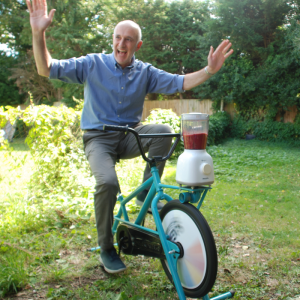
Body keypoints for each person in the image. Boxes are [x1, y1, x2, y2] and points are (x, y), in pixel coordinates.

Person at [26, 0, 233, 274]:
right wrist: (38, 33)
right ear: (112, 40)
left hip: (130, 135)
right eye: (118, 38)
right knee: (108, 183)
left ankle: (146, 191)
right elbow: (46, 67)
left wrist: (208, 71)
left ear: (138, 45)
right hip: (97, 138)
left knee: (162, 132)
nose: (122, 44)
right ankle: (106, 248)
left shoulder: (145, 72)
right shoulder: (92, 64)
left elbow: (180, 82)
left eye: (128, 40)